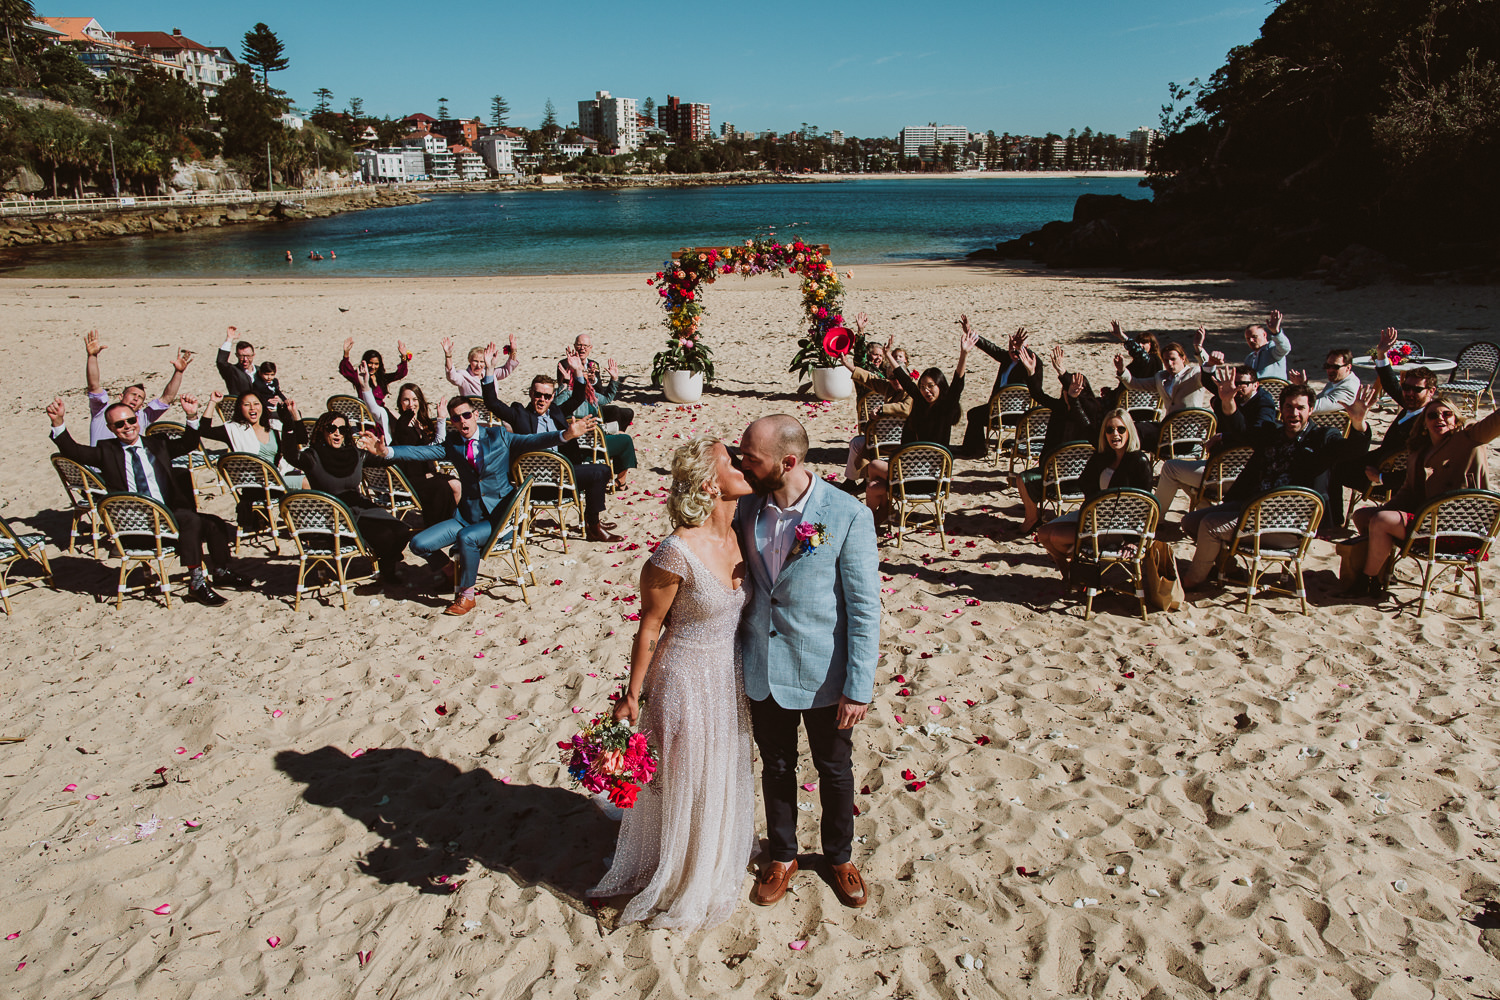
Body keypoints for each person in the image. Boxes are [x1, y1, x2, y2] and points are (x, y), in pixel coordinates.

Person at [592, 437, 756, 932]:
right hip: (682, 678)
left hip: (727, 677)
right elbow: (648, 628)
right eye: (731, 460)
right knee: (687, 777)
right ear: (710, 483)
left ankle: (707, 857)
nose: (742, 462)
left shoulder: (741, 532)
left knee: (717, 771)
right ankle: (679, 872)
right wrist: (631, 696)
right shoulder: (674, 551)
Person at [735, 414, 880, 910]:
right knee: (776, 766)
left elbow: (864, 607)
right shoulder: (745, 509)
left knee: (834, 769)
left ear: (788, 461)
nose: (742, 465)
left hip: (825, 674)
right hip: (763, 667)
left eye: (750, 458)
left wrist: (859, 685)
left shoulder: (848, 515)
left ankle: (839, 856)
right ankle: (783, 855)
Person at [356, 397, 595, 616]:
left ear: (475, 414)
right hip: (468, 515)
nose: (462, 421)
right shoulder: (453, 444)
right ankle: (451, 571)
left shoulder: (498, 436)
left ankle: (467, 596)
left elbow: (531, 440)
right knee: (419, 544)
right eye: (457, 418)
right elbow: (421, 452)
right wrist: (386, 451)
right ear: (453, 422)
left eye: (466, 415)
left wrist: (565, 434)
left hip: (499, 517)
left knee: (466, 538)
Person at [47, 395, 247, 606]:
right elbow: (73, 451)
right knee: (191, 520)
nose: (127, 426)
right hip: (136, 525)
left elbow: (189, 442)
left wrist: (191, 415)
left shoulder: (157, 444)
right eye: (120, 424)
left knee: (214, 523)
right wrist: (58, 422)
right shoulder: (107, 451)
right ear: (111, 428)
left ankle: (221, 571)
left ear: (138, 420)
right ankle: (197, 583)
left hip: (167, 515)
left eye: (131, 420)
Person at [1179, 382, 1376, 588]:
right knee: (1191, 521)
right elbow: (1240, 430)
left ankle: (1193, 580)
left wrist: (1358, 424)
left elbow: (1352, 451)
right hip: (1251, 508)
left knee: (1210, 526)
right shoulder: (1272, 432)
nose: (1294, 413)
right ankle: (1226, 566)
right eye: (1289, 407)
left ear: (1311, 409)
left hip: (1287, 522)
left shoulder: (1322, 438)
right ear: (1281, 409)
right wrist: (1228, 401)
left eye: (1300, 408)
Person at [1350, 397, 1500, 597]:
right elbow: (1407, 493)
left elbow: (1494, 422)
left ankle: (1367, 580)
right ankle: (1381, 572)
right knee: (1363, 516)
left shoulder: (1469, 438)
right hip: (1429, 520)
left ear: (1456, 418)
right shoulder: (1419, 452)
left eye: (1447, 414)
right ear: (1424, 423)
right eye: (1432, 415)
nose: (1440, 418)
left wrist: (1382, 516)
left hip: (1458, 528)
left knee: (1381, 520)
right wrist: (1382, 510)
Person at [482, 373, 622, 542]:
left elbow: (578, 397)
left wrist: (578, 372)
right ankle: (593, 527)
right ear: (531, 394)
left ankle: (593, 522)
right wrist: (490, 370)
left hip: (562, 478)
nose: (542, 399)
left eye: (547, 396)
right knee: (600, 471)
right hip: (534, 482)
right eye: (538, 394)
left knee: (602, 470)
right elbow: (492, 403)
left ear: (552, 397)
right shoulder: (519, 414)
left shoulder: (556, 412)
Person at [865, 328, 978, 524]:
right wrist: (889, 356)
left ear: (940, 386)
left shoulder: (945, 408)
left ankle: (884, 509)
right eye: (923, 386)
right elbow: (906, 381)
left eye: (931, 386)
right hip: (913, 473)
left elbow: (958, 385)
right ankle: (880, 513)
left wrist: (964, 354)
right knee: (874, 487)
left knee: (874, 465)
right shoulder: (919, 402)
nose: (926, 391)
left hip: (928, 478)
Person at [285, 410, 412, 585]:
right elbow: (291, 455)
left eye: (343, 430)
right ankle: (388, 572)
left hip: (360, 506)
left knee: (402, 531)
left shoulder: (356, 454)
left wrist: (399, 431)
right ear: (322, 431)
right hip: (334, 515)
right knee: (385, 536)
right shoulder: (312, 457)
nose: (337, 433)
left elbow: (387, 460)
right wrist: (289, 424)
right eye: (332, 429)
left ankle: (385, 562)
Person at [1333, 327, 1438, 521]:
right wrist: (1381, 354)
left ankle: (1334, 522)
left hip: (1389, 481)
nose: (1409, 393)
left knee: (1334, 470)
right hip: (1377, 463)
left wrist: (1382, 479)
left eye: (1417, 389)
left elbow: (1422, 467)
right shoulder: (1410, 405)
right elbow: (1390, 384)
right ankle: (1333, 521)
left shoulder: (1431, 421)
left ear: (1431, 391)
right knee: (1331, 462)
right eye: (1407, 387)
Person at [1035, 409, 1155, 578]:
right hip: (1094, 514)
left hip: (1119, 525)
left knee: (1055, 537)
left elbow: (1145, 505)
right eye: (1109, 430)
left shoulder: (1138, 461)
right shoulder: (1102, 456)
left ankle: (1074, 575)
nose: (1115, 434)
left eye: (1121, 429)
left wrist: (1133, 541)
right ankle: (1070, 575)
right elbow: (1085, 483)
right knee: (1043, 534)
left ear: (1129, 431)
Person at [1154, 366, 1277, 517]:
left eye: (1241, 384)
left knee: (1170, 468)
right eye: (1234, 382)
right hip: (1221, 467)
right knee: (1182, 474)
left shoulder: (1264, 404)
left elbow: (1258, 435)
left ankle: (1155, 520)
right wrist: (1209, 363)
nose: (1236, 387)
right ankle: (1205, 514)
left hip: (1238, 474)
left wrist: (1224, 436)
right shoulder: (1233, 395)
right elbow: (1208, 380)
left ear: (1255, 385)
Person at [1015, 345, 1105, 533]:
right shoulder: (1060, 409)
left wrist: (1063, 373)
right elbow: (1037, 394)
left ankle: (1032, 517)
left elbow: (1085, 405)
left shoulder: (1089, 414)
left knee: (1023, 479)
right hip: (1062, 475)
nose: (1066, 392)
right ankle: (1033, 517)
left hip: (1074, 478)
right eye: (1066, 390)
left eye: (1072, 390)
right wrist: (1031, 372)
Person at [199, 390, 306, 531]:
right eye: (247, 405)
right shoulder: (234, 430)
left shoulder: (274, 427)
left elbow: (302, 439)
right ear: (239, 408)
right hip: (256, 484)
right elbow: (203, 430)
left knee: (312, 477)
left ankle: (299, 521)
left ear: (262, 406)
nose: (252, 408)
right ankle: (307, 529)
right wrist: (212, 402)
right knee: (307, 483)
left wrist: (294, 414)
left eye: (256, 404)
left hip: (278, 479)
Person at [836, 317, 912, 489]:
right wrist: (847, 365)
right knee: (856, 443)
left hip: (904, 440)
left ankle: (859, 479)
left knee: (860, 444)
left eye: (898, 377)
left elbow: (905, 408)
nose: (895, 381)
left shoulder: (912, 391)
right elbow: (868, 378)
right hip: (880, 439)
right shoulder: (888, 387)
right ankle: (852, 481)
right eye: (891, 377)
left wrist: (883, 409)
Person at [82, 329, 191, 445]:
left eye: (140, 398)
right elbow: (94, 386)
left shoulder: (142, 418)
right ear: (121, 396)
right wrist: (92, 357)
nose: (136, 398)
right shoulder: (102, 411)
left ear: (141, 405)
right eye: (133, 394)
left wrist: (178, 373)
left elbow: (167, 398)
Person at [1114, 340, 1212, 451]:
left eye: (1173, 359)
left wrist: (1199, 348)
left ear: (1183, 358)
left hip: (1189, 436)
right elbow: (1134, 384)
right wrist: (1122, 370)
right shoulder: (1161, 378)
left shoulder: (1194, 375)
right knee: (1130, 429)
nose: (1169, 364)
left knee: (1137, 435)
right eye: (1166, 360)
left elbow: (1207, 370)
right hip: (1167, 430)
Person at [386, 382, 458, 522]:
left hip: (423, 474)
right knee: (448, 485)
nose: (410, 404)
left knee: (457, 484)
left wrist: (441, 419)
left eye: (414, 399)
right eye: (406, 400)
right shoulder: (403, 423)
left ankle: (456, 521)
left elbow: (434, 447)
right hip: (409, 479)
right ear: (400, 403)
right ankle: (443, 524)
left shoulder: (418, 422)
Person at [959, 321, 1033, 457]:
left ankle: (976, 450)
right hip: (996, 410)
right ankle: (975, 448)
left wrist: (1023, 351)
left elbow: (1035, 372)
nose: (1014, 349)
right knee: (975, 414)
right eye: (1011, 345)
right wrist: (969, 332)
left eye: (1018, 346)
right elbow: (989, 347)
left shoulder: (1029, 365)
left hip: (1018, 415)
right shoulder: (1006, 358)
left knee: (974, 415)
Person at [563, 333, 633, 431]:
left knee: (627, 413)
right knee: (615, 411)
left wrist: (596, 381)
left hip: (592, 402)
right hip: (579, 413)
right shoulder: (564, 364)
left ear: (590, 348)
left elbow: (602, 394)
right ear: (574, 346)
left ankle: (614, 434)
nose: (582, 348)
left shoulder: (594, 364)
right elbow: (564, 388)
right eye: (579, 345)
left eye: (585, 346)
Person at [1201, 310, 1291, 382]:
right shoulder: (1249, 358)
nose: (1251, 340)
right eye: (1248, 338)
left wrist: (1276, 332)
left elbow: (1285, 348)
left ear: (1264, 335)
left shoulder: (1272, 349)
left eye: (1254, 337)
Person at [339, 337, 409, 407]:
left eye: (376, 364)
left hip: (381, 410)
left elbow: (400, 374)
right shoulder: (360, 378)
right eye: (370, 363)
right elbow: (345, 370)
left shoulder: (382, 378)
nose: (373, 367)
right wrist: (346, 354)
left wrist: (403, 357)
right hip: (366, 411)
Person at [444, 334, 516, 398]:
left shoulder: (489, 373)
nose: (478, 365)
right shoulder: (464, 376)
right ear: (469, 361)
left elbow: (507, 369)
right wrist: (448, 356)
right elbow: (452, 376)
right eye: (475, 361)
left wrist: (513, 351)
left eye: (482, 362)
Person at [1289, 349, 1361, 413]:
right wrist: (1303, 386)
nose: (1330, 370)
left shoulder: (1348, 388)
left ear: (1348, 367)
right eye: (1327, 366)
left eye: (1336, 367)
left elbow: (1314, 408)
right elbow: (1317, 399)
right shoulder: (1337, 381)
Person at [215, 327, 258, 396]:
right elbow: (221, 362)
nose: (245, 359)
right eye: (242, 356)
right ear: (237, 355)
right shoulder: (232, 372)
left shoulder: (261, 370)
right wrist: (229, 339)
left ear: (253, 355)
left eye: (248, 356)